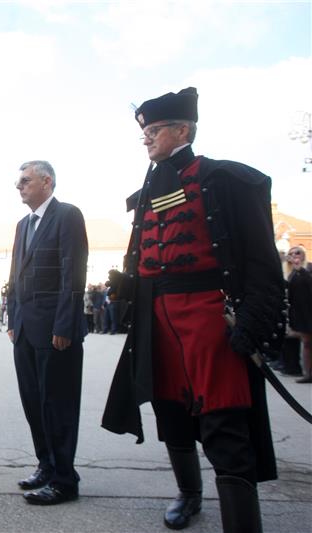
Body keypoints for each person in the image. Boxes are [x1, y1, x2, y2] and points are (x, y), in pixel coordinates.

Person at [101, 87, 286, 532]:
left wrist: (256, 322)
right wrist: (132, 282)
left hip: (209, 317)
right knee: (171, 412)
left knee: (224, 420)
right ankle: (189, 494)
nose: (146, 139)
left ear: (182, 129)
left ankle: (242, 524)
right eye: (144, 131)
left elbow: (262, 261)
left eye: (154, 130)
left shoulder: (225, 179)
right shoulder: (146, 188)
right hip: (158, 320)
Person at [7, 160, 88, 506]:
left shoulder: (67, 215)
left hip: (55, 330)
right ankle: (46, 464)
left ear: (47, 181)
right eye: (18, 181)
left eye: (25, 180)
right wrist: (12, 319)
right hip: (26, 329)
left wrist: (65, 324)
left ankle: (64, 479)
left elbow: (74, 272)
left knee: (58, 404)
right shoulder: (23, 224)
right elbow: (15, 274)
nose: (19, 186)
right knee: (33, 402)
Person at [286, 246, 312, 383]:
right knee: (307, 343)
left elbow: (308, 283)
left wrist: (299, 268)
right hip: (300, 313)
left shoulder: (307, 269)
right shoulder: (291, 274)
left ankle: (308, 373)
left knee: (307, 343)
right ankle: (307, 373)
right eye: (291, 254)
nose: (294, 255)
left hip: (308, 311)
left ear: (303, 255)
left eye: (297, 253)